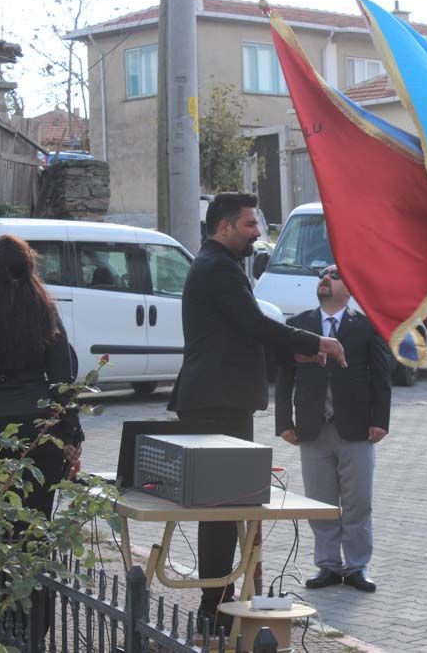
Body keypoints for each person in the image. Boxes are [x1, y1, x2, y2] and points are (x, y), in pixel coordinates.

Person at [167, 192, 345, 627]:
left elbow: (240, 337)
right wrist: (313, 342)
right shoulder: (217, 269)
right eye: (250, 226)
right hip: (216, 406)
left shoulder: (219, 266)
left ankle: (218, 606)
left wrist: (295, 355)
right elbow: (254, 324)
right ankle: (216, 611)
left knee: (223, 514)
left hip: (220, 402)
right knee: (222, 512)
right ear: (223, 227)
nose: (257, 235)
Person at [0, 235, 83, 520]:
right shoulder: (43, 310)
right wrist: (71, 433)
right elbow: (62, 378)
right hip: (36, 429)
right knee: (33, 524)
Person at [275, 264, 391, 594]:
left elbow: (381, 377)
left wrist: (380, 420)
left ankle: (356, 566)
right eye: (322, 275)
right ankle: (327, 564)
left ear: (350, 289)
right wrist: (284, 421)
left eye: (335, 275)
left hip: (355, 428)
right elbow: (285, 376)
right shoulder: (300, 326)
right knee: (321, 501)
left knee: (358, 502)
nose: (325, 279)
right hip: (312, 427)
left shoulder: (366, 327)